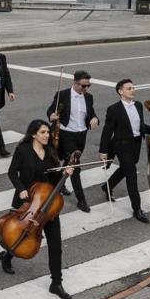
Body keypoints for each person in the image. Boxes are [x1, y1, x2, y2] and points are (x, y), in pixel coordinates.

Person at [1, 119, 75, 299]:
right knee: (22, 234)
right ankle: (7, 255)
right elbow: (12, 172)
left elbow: (55, 176)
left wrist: (65, 173)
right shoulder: (23, 150)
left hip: (48, 204)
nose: (46, 135)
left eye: (48, 132)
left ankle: (56, 282)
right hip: (27, 201)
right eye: (43, 132)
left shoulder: (51, 151)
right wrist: (21, 189)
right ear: (33, 134)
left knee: (55, 243)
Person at [99, 78, 150, 224]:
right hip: (121, 145)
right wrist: (103, 150)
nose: (133, 90)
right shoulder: (113, 109)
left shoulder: (138, 105)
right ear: (120, 92)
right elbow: (107, 131)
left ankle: (106, 186)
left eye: (133, 88)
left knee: (126, 169)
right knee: (131, 175)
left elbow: (139, 125)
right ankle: (137, 209)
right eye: (129, 88)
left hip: (135, 144)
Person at [49, 70, 100, 213]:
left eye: (88, 85)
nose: (86, 89)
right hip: (66, 135)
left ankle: (60, 184)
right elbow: (51, 110)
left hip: (81, 135)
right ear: (75, 83)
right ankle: (81, 200)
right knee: (75, 166)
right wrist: (52, 116)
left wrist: (95, 119)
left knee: (68, 163)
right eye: (83, 86)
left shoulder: (89, 97)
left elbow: (91, 113)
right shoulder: (63, 95)